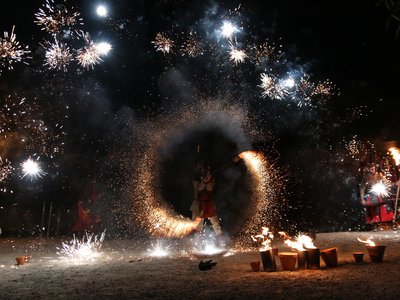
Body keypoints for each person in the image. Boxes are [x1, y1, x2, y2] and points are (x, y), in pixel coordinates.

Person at [190, 161, 222, 237]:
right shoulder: (196, 178)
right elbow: (198, 188)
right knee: (198, 226)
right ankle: (197, 244)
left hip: (209, 203)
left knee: (215, 223)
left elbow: (210, 188)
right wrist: (204, 181)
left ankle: (221, 241)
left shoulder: (211, 178)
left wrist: (208, 180)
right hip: (198, 204)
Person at [359, 163, 394, 228]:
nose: (373, 170)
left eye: (374, 169)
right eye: (372, 169)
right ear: (369, 169)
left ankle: (390, 221)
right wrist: (362, 198)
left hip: (380, 193)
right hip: (371, 195)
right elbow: (362, 188)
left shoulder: (380, 175)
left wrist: (390, 185)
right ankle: (374, 223)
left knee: (388, 203)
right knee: (374, 206)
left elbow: (386, 182)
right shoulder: (366, 177)